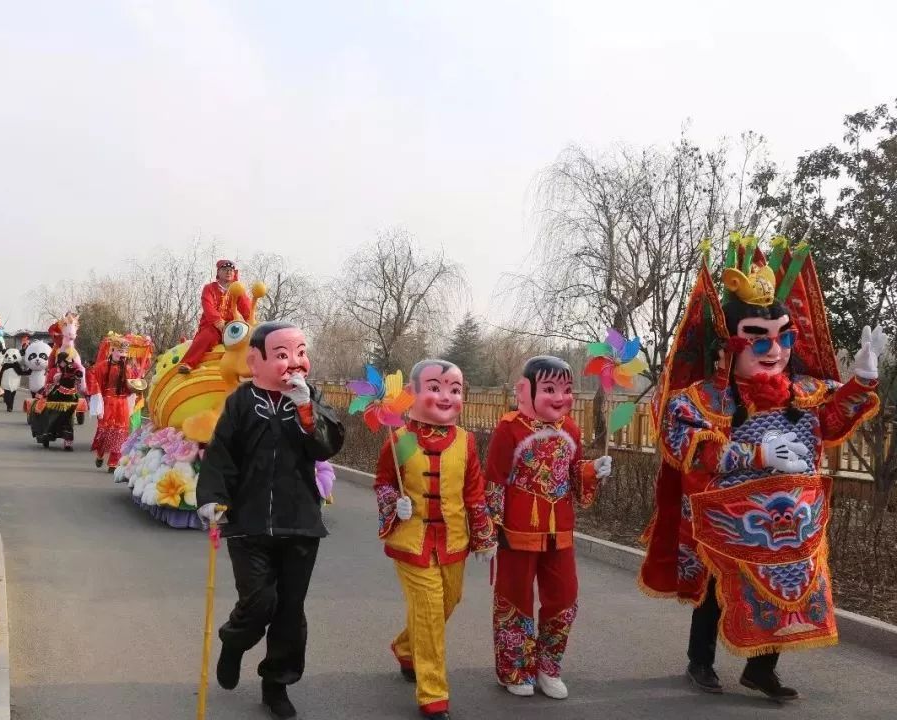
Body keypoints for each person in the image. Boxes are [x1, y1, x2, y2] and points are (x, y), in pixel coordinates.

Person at [638, 239, 887, 701]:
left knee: (785, 590)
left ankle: (761, 668)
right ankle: (700, 661)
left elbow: (832, 423)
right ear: (729, 344)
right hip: (729, 519)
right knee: (718, 587)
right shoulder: (703, 399)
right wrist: (757, 457)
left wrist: (861, 381)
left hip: (792, 522)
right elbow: (691, 449)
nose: (775, 349)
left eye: (784, 336)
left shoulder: (805, 390)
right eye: (759, 337)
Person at [196, 321, 345, 720]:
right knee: (260, 601)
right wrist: (211, 497)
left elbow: (327, 446)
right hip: (249, 524)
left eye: (300, 352)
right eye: (282, 355)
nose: (295, 363)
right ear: (254, 361)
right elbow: (221, 453)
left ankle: (276, 683)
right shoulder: (242, 401)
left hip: (300, 523)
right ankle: (234, 640)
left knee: (290, 611)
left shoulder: (310, 398)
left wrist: (306, 409)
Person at [484, 356, 612, 700]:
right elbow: (493, 482)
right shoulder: (508, 428)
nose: (560, 398)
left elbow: (571, 476)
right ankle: (514, 668)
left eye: (567, 390)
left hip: (561, 532)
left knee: (565, 597)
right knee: (515, 599)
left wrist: (591, 470)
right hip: (516, 532)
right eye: (551, 389)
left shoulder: (570, 430)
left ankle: (548, 666)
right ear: (526, 390)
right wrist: (488, 532)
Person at [374, 359, 495, 720]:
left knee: (449, 601)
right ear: (412, 393)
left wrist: (485, 536)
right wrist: (393, 505)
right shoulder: (399, 439)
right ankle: (433, 695)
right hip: (412, 542)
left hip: (454, 541)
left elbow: (474, 492)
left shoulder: (466, 442)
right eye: (435, 387)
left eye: (455, 390)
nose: (446, 396)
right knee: (428, 610)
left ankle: (405, 647)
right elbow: (383, 481)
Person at [178, 259, 253, 373]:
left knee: (248, 340)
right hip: (211, 325)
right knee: (207, 337)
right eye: (224, 270)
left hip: (231, 326)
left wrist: (252, 322)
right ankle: (188, 363)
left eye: (230, 270)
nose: (228, 272)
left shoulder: (237, 289)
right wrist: (218, 321)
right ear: (218, 272)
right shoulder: (209, 288)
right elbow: (208, 306)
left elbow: (246, 308)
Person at [86, 333, 142, 471]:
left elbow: (130, 388)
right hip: (108, 403)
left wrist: (135, 387)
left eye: (123, 352)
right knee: (105, 431)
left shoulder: (128, 369)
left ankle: (113, 463)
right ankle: (100, 454)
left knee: (120, 433)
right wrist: (97, 394)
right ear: (112, 351)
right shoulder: (102, 366)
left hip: (122, 404)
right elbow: (92, 377)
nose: (121, 354)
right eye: (119, 351)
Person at [30, 351, 83, 450]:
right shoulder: (54, 370)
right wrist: (55, 383)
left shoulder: (73, 369)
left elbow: (78, 382)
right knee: (49, 415)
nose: (66, 363)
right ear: (60, 361)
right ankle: (47, 434)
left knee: (68, 421)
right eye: (64, 361)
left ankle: (68, 443)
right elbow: (48, 383)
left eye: (68, 361)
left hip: (70, 399)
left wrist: (76, 378)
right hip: (55, 397)